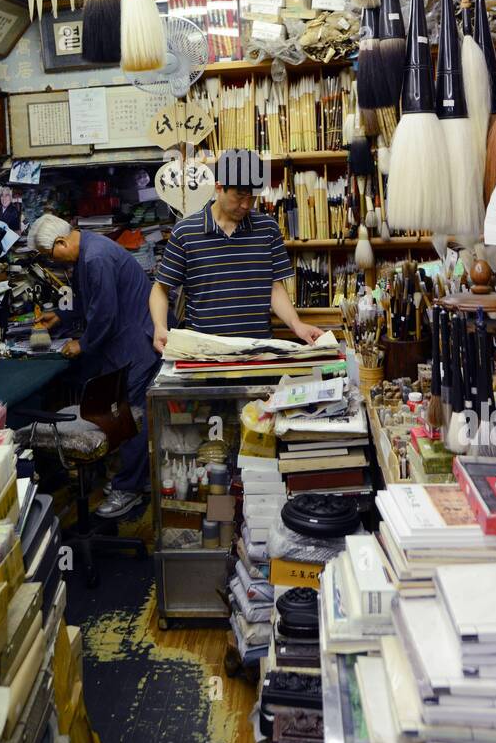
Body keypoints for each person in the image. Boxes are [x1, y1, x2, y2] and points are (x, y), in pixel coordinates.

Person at [28, 214, 160, 519]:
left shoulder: (95, 257)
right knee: (122, 412)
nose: (52, 261)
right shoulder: (87, 250)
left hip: (134, 344)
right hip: (125, 342)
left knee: (128, 415)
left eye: (51, 254)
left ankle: (130, 488)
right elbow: (89, 298)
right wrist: (61, 317)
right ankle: (133, 479)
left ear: (61, 242)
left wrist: (82, 344)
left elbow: (104, 314)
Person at [149, 149, 325, 352]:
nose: (246, 205)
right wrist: (160, 327)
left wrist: (296, 325)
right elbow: (160, 289)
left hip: (258, 353)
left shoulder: (267, 229)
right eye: (239, 196)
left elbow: (275, 288)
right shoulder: (185, 232)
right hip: (205, 354)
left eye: (252, 198)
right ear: (219, 187)